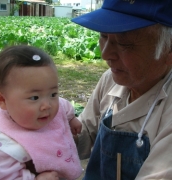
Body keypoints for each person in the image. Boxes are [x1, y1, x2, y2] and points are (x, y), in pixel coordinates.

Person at [72, 0, 172, 179]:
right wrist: (55, 134)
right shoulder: (111, 80)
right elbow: (87, 131)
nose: (105, 54)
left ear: (169, 49)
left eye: (125, 44)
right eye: (103, 36)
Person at [0, 45, 82, 180]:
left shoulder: (53, 107)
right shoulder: (3, 142)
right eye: (34, 98)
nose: (47, 105)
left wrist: (70, 118)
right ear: (2, 100)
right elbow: (2, 175)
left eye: (53, 94)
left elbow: (63, 104)